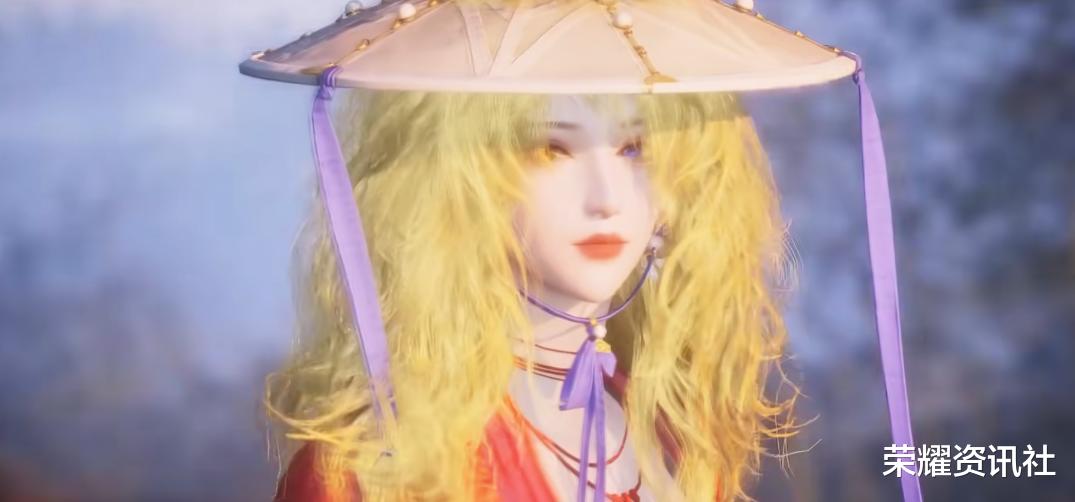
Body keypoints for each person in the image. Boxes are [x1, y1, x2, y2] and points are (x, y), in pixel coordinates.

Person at [240, 1, 922, 501]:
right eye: (550, 149)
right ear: (454, 182)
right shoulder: (378, 468)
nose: (606, 197)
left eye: (635, 148)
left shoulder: (673, 442)